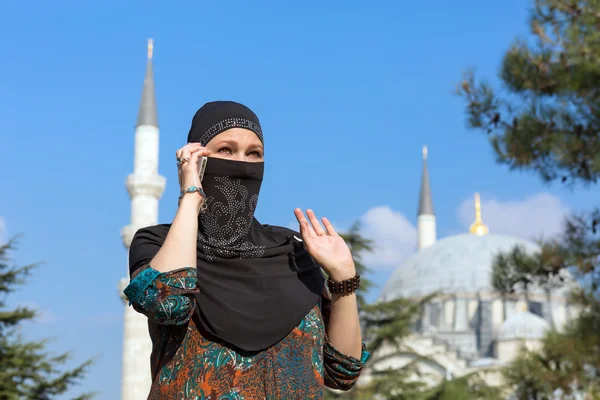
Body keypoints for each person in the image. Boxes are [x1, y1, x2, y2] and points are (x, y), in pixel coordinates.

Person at [124, 101, 369, 399]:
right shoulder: (157, 242)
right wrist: (191, 194)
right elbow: (168, 301)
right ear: (195, 157)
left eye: (254, 154)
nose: (242, 163)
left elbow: (342, 372)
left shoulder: (291, 250)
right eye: (226, 150)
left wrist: (344, 278)